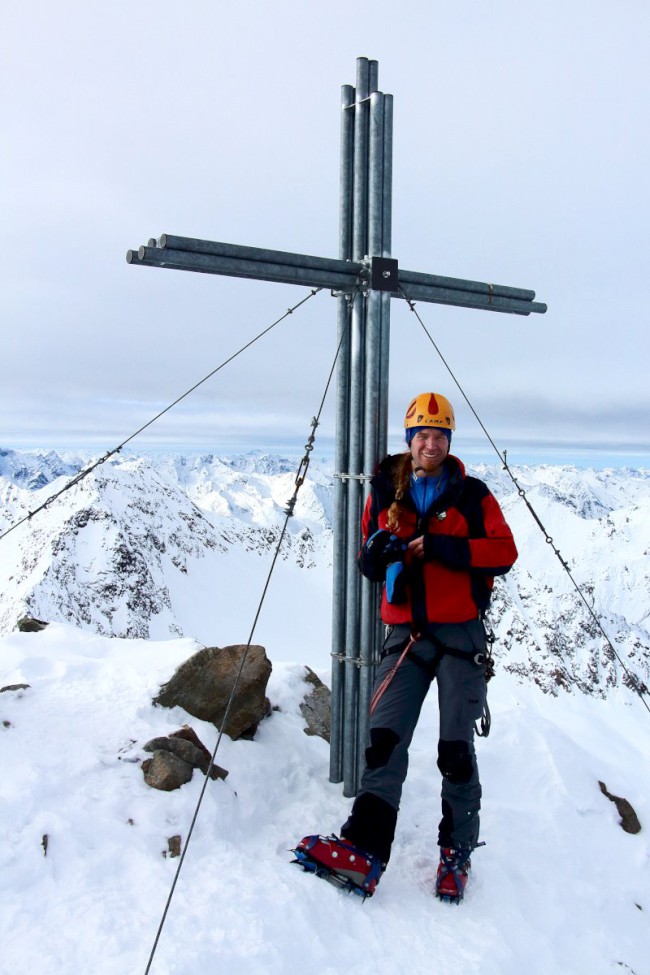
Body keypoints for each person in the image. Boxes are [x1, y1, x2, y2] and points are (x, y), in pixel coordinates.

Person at [294, 392, 518, 902]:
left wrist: (441, 547)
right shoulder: (386, 491)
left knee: (455, 751)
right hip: (406, 633)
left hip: (460, 636)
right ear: (410, 441)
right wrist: (376, 555)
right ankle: (365, 850)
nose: (431, 444)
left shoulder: (472, 495)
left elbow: (504, 553)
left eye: (440, 435)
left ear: (449, 441)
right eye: (423, 435)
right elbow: (369, 560)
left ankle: (455, 854)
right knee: (384, 741)